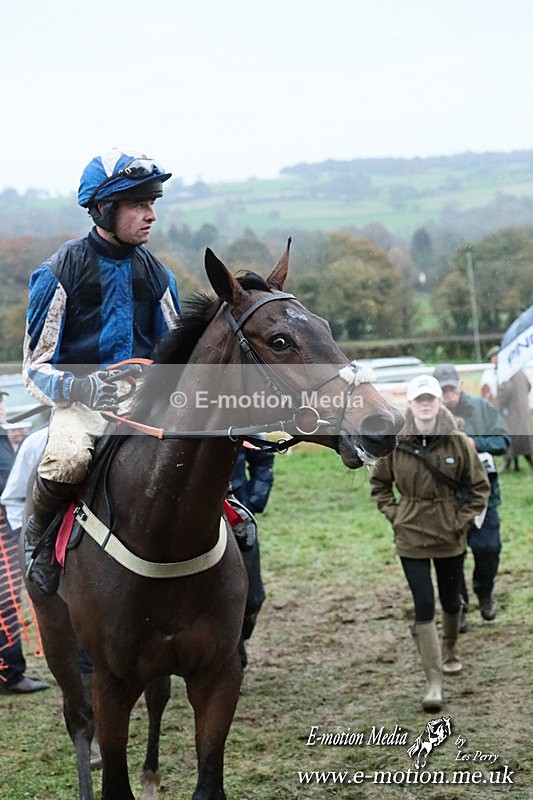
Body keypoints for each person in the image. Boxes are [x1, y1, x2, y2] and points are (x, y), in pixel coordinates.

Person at [22, 149, 181, 596]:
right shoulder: (57, 272)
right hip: (81, 404)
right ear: (103, 209)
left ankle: (230, 517)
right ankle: (38, 538)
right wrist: (81, 386)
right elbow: (34, 371)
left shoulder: (158, 276)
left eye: (153, 203)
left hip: (146, 402)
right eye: (139, 205)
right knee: (69, 458)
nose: (151, 215)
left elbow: (177, 358)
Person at [370, 375, 490, 711]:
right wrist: (396, 514)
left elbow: (480, 488)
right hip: (410, 536)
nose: (425, 404)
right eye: (419, 399)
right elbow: (379, 485)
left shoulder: (459, 442)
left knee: (451, 601)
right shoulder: (392, 443)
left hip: (449, 535)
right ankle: (434, 684)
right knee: (424, 604)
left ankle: (451, 649)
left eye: (430, 399)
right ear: (409, 404)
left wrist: (459, 521)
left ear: (440, 402)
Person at [433, 364, 510, 624]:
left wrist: (476, 443)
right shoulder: (428, 415)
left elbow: (503, 442)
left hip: (483, 494)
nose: (447, 396)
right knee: (452, 555)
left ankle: (484, 592)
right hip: (446, 496)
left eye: (451, 390)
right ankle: (459, 605)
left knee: (488, 548)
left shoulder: (481, 408)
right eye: (442, 391)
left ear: (460, 386)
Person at [0, 412, 49, 693]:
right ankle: (10, 674)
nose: (2, 410)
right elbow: (10, 486)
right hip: (3, 529)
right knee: (5, 602)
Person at [229, 441, 275, 669]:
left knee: (253, 598)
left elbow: (263, 455)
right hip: (196, 516)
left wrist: (254, 500)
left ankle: (237, 640)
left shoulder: (239, 418)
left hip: (237, 517)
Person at [497, 366, 533, 472]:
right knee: (525, 438)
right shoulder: (519, 370)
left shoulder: (506, 372)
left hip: (512, 413)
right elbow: (529, 385)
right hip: (523, 410)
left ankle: (507, 464)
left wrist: (499, 406)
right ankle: (528, 461)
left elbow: (505, 391)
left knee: (510, 438)